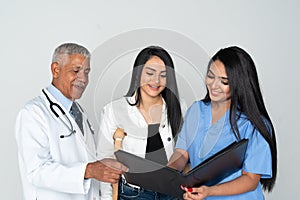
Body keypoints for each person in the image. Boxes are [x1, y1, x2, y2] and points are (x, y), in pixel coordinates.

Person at [15, 43, 128, 200]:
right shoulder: (33, 113)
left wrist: (101, 166)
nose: (83, 79)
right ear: (56, 70)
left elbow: (84, 158)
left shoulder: (79, 112)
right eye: (76, 71)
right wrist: (89, 170)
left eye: (86, 72)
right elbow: (36, 171)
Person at [168, 46, 277, 200]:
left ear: (240, 84)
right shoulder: (196, 110)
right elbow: (182, 153)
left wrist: (209, 191)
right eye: (210, 76)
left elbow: (250, 180)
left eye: (224, 81)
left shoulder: (254, 125)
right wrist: (167, 174)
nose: (213, 85)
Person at [96, 46, 187, 200]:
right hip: (133, 194)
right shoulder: (114, 110)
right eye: (150, 73)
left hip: (170, 192)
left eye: (163, 75)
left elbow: (186, 151)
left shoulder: (180, 107)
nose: (156, 81)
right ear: (138, 74)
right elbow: (105, 161)